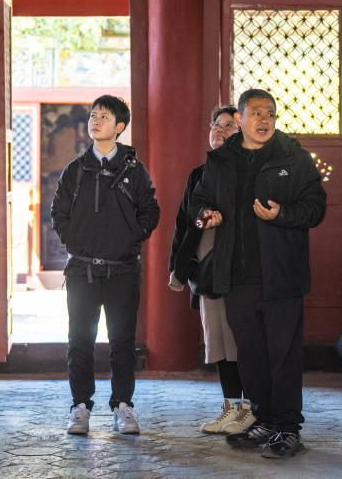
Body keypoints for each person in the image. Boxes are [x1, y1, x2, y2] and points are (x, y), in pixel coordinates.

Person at [190, 89, 327, 459]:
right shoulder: (221, 160)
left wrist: (282, 214)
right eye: (256, 113)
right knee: (250, 354)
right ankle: (264, 419)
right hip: (236, 276)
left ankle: (288, 428)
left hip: (281, 275)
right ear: (240, 119)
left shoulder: (294, 158)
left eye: (270, 113)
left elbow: (315, 207)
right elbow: (198, 200)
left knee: (283, 355)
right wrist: (206, 215)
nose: (264, 120)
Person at [50, 95, 161, 436]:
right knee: (79, 340)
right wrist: (74, 241)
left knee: (122, 341)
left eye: (104, 117)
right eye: (93, 116)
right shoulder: (76, 170)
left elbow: (150, 211)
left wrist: (131, 239)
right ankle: (80, 406)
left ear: (120, 126)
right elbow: (58, 213)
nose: (95, 121)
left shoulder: (134, 170)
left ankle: (123, 406)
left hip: (123, 269)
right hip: (82, 270)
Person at [168, 105, 255, 435]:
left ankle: (251, 407)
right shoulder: (198, 174)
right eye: (216, 125)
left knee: (242, 339)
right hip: (207, 269)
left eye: (229, 125)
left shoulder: (250, 170)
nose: (220, 130)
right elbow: (186, 222)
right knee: (218, 338)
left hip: (241, 268)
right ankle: (230, 407)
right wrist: (179, 267)